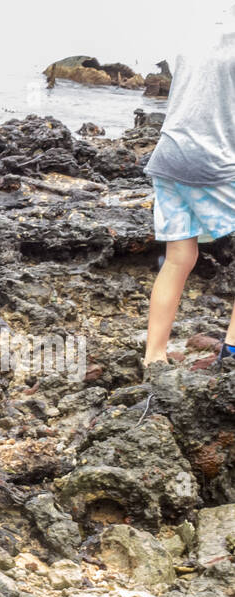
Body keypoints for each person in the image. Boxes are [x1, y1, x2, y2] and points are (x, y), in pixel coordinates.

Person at [144, 19, 235, 369]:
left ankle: (154, 358)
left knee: (179, 257)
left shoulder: (198, 32)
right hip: (211, 161)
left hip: (169, 154)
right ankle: (231, 352)